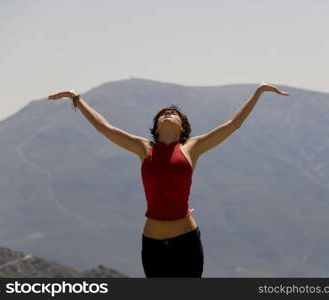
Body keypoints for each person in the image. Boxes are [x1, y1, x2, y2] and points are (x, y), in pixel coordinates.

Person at [47, 82, 289, 277]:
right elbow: (104, 127)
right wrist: (76, 98)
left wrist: (259, 91)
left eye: (173, 113)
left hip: (186, 242)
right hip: (152, 244)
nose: (168, 114)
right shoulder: (144, 148)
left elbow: (233, 124)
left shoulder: (192, 148)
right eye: (163, 114)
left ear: (182, 126)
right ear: (156, 126)